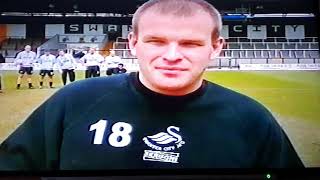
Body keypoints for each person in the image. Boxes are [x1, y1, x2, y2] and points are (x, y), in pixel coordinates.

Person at [0, 0, 304, 170]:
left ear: (216, 47)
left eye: (190, 43)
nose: (172, 56)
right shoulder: (74, 101)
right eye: (156, 41)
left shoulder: (251, 119)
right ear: (133, 43)